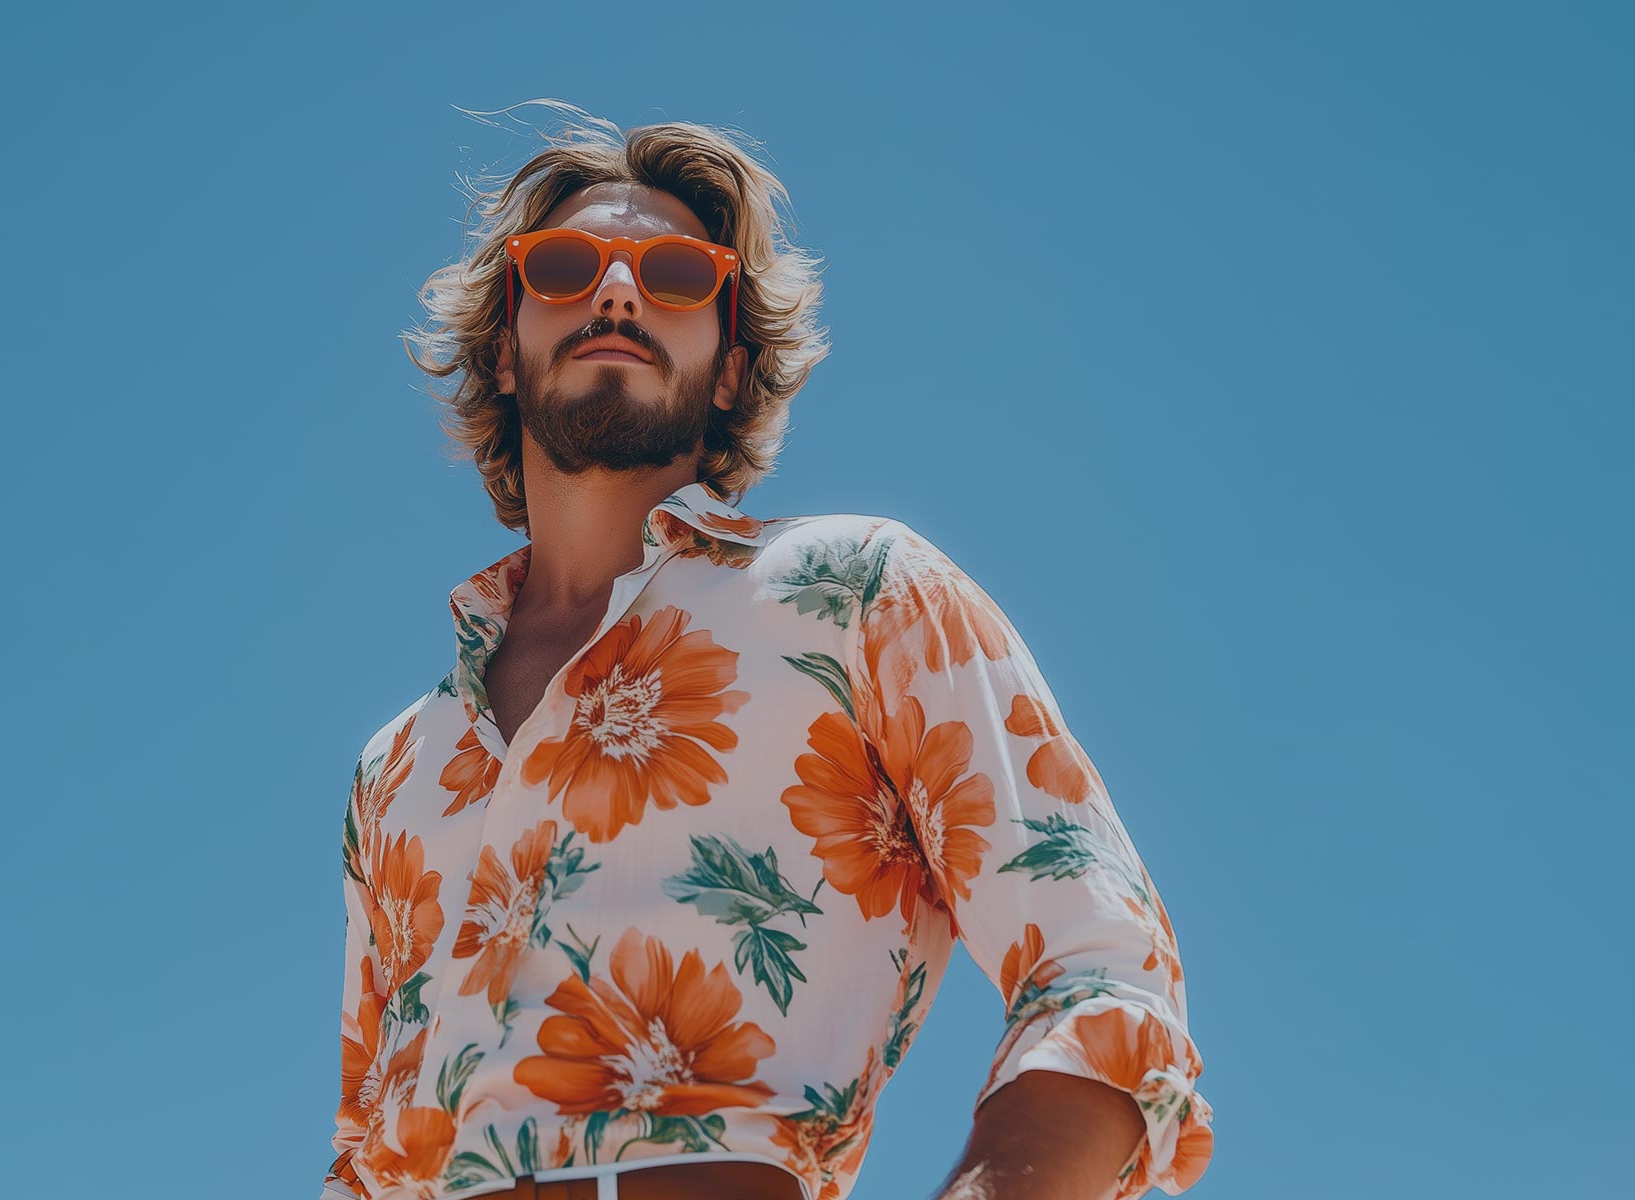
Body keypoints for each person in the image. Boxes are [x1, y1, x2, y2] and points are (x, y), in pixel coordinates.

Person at [322, 101, 1212, 1200]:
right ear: (504, 352)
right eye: (560, 268)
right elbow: (363, 1151)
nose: (614, 291)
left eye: (676, 276)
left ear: (732, 369)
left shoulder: (858, 595)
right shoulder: (396, 769)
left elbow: (1101, 966)